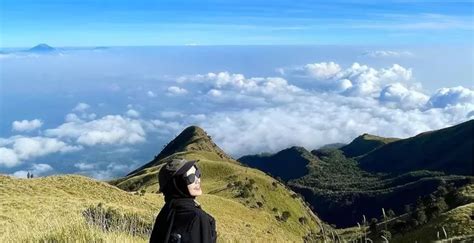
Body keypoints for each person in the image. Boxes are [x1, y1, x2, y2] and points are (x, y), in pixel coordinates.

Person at [150, 158, 217, 243]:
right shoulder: (197, 217)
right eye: (191, 177)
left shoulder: (166, 212)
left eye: (198, 174)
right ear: (177, 183)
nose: (197, 180)